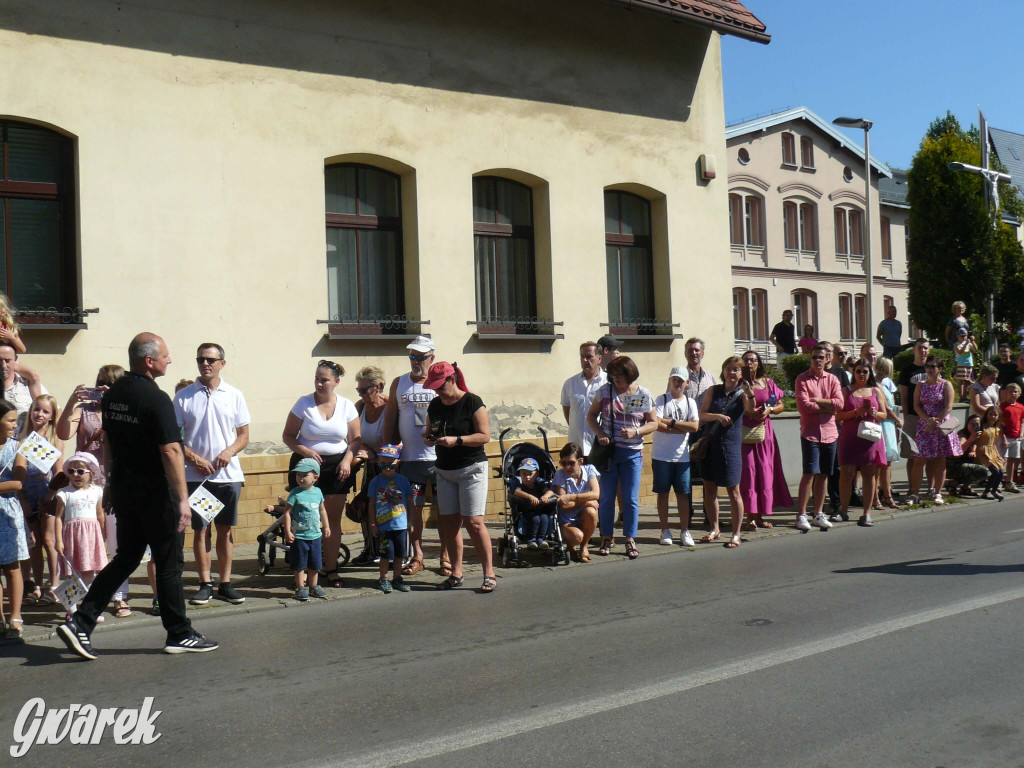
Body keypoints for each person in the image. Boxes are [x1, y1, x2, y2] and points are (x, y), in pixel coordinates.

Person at [57, 332, 218, 659]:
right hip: (157, 495)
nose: (170, 360)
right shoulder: (156, 398)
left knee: (127, 557)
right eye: (166, 355)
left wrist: (114, 483)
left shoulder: (115, 394)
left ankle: (81, 622)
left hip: (126, 491)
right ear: (149, 361)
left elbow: (109, 441)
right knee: (169, 561)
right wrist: (183, 499)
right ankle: (180, 633)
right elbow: (172, 450)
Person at [175, 343, 251, 606]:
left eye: (210, 360)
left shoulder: (234, 394)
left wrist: (229, 451)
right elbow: (174, 438)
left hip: (227, 476)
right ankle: (205, 583)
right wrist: (194, 459)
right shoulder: (185, 396)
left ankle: (226, 583)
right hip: (197, 477)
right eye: (200, 360)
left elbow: (243, 435)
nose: (205, 364)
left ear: (222, 363)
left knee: (225, 531)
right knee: (201, 530)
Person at [57, 365, 133, 614]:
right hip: (84, 487)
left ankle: (119, 596)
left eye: (110, 384)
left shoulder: (124, 411)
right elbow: (62, 432)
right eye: (101, 382)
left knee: (117, 544)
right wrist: (71, 402)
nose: (104, 388)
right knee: (79, 546)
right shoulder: (84, 411)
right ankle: (78, 602)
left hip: (113, 485)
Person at [283, 359, 360, 589]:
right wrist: (305, 450)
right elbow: (288, 435)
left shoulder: (347, 406)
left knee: (331, 519)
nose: (319, 383)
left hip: (337, 466)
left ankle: (330, 568)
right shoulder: (303, 404)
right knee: (304, 517)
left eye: (324, 379)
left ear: (336, 382)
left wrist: (348, 460)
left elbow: (356, 439)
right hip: (306, 467)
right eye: (317, 378)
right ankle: (303, 569)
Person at [423, 361, 496, 593]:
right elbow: (428, 430)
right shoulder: (435, 405)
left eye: (440, 387)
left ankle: (489, 574)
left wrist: (458, 440)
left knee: (474, 522)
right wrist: (429, 438)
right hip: (444, 470)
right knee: (449, 524)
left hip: (471, 468)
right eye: (434, 388)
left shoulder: (472, 401)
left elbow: (485, 436)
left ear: (452, 380)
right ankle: (456, 573)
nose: (437, 392)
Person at [382, 336, 443, 578]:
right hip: (410, 459)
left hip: (439, 459)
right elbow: (390, 418)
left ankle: (446, 556)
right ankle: (417, 556)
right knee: (413, 511)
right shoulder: (399, 383)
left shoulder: (441, 381)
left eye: (420, 357)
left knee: (445, 510)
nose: (415, 362)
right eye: (412, 356)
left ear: (432, 358)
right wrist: (388, 452)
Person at [586, 356, 657, 559]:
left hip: (632, 452)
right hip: (609, 453)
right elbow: (591, 416)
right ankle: (606, 536)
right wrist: (600, 434)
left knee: (630, 498)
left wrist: (636, 432)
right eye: (613, 375)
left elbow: (653, 422)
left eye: (620, 375)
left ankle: (630, 538)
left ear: (630, 374)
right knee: (606, 497)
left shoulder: (642, 394)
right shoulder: (605, 392)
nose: (616, 379)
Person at [698, 356, 753, 548]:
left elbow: (751, 410)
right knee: (709, 489)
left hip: (730, 445)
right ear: (723, 371)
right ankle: (714, 528)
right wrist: (718, 416)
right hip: (710, 444)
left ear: (740, 374)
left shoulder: (742, 393)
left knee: (733, 491)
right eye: (728, 369)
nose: (732, 373)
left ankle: (736, 533)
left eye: (736, 370)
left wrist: (750, 392)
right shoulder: (713, 391)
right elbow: (702, 415)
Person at [14, 394, 63, 608]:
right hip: (26, 493)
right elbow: (16, 474)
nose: (39, 414)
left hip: (47, 491)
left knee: (49, 540)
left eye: (45, 411)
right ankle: (36, 586)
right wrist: (23, 500)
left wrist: (49, 497)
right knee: (33, 543)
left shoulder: (54, 439)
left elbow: (59, 473)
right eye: (36, 409)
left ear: (52, 416)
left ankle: (54, 586)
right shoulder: (21, 440)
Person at [739, 351, 791, 530]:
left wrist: (769, 411)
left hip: (765, 434)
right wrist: (748, 412)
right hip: (745, 433)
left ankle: (760, 516)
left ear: (758, 363)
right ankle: (749, 517)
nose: (749, 363)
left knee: (764, 473)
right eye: (745, 360)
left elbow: (780, 405)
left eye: (752, 360)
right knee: (748, 473)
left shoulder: (767, 382)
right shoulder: (739, 384)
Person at [794, 344, 843, 532]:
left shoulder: (832, 379)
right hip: (811, 434)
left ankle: (819, 513)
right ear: (810, 358)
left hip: (830, 433)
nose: (818, 360)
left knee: (824, 474)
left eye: (821, 357)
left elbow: (839, 404)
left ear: (827, 358)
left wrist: (819, 401)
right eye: (814, 357)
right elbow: (804, 406)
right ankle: (801, 515)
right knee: (809, 474)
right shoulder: (802, 379)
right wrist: (828, 406)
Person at [834, 359, 888, 526]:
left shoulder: (876, 391)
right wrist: (855, 412)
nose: (862, 374)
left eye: (865, 371)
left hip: (870, 437)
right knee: (846, 473)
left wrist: (874, 412)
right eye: (858, 371)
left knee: (869, 474)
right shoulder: (846, 391)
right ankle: (843, 510)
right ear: (853, 373)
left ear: (870, 373)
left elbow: (884, 415)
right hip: (850, 437)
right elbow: (838, 415)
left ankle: (867, 513)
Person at [652, 367, 699, 546]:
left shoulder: (690, 402)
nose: (677, 383)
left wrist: (671, 422)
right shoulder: (662, 399)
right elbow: (656, 423)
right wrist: (681, 427)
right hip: (661, 455)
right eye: (674, 379)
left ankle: (684, 530)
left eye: (681, 380)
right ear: (670, 380)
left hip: (682, 457)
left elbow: (695, 426)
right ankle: (664, 530)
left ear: (687, 383)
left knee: (683, 494)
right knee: (662, 493)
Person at [55, 452, 108, 613]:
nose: (75, 475)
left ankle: (85, 608)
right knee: (73, 574)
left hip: (91, 536)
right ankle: (72, 611)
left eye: (80, 472)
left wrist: (103, 535)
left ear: (91, 473)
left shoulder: (97, 491)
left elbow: (100, 514)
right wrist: (58, 540)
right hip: (72, 536)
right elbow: (58, 517)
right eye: (71, 471)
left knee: (90, 573)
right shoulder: (64, 493)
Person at [350, 366, 389, 567]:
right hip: (369, 464)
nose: (362, 394)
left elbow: (399, 438)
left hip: (389, 466)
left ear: (378, 387)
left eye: (365, 390)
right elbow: (353, 436)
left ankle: (391, 551)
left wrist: (379, 453)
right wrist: (364, 448)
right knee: (367, 506)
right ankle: (370, 549)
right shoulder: (360, 407)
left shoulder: (391, 406)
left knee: (389, 509)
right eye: (359, 391)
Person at [913, 354, 961, 504]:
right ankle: (914, 493)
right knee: (919, 459)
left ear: (940, 369)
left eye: (933, 367)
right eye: (927, 366)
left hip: (942, 426)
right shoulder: (920, 384)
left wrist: (936, 420)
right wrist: (928, 420)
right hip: (924, 426)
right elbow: (916, 405)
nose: (929, 369)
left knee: (940, 460)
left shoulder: (946, 385)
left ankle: (938, 493)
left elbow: (948, 407)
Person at [367, 445, 413, 593]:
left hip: (400, 525)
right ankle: (384, 578)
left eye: (391, 465)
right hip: (383, 526)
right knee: (385, 554)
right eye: (383, 465)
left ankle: (397, 577)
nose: (387, 469)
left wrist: (411, 522)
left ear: (397, 463)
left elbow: (410, 502)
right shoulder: (375, 482)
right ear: (378, 463)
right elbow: (372, 504)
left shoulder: (404, 480)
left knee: (400, 554)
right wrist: (373, 524)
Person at [282, 457, 330, 602]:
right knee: (299, 564)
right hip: (300, 536)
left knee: (315, 563)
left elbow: (322, 510)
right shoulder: (295, 493)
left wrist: (326, 526)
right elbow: (287, 513)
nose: (300, 478)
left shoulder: (318, 492)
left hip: (315, 535)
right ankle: (300, 587)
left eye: (305, 475)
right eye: (298, 475)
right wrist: (288, 531)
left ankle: (313, 586)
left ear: (315, 477)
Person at [0, 399, 27, 640]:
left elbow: (18, 482)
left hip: (7, 511)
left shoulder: (16, 448)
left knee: (11, 565)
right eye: (10, 420)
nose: (15, 424)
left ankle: (15, 616)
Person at [551, 443, 599, 562]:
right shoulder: (560, 475)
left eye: (571, 463)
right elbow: (564, 505)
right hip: (567, 521)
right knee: (577, 536)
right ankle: (571, 545)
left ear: (580, 461)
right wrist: (586, 502)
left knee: (591, 513)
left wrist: (572, 497)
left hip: (583, 517)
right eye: (563, 463)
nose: (567, 467)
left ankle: (584, 547)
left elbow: (595, 494)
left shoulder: (589, 470)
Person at [560, 342, 607, 457]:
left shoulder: (608, 382)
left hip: (600, 445)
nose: (585, 360)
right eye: (582, 356)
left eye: (589, 356)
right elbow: (568, 412)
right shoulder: (570, 383)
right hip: (577, 446)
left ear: (599, 358)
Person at [898, 338, 930, 504]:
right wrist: (906, 416)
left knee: (930, 455)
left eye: (925, 348)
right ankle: (912, 489)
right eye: (919, 348)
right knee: (912, 455)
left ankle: (930, 489)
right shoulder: (907, 370)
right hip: (912, 417)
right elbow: (903, 395)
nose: (922, 351)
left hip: (931, 419)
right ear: (914, 350)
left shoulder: (932, 369)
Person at [873, 357, 904, 509]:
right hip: (883, 424)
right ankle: (876, 497)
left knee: (887, 463)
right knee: (879, 464)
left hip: (888, 425)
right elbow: (886, 408)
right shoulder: (876, 385)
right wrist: (898, 419)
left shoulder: (884, 384)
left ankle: (886, 494)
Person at [510, 457, 556, 550]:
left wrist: (545, 496)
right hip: (526, 511)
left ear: (536, 475)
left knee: (545, 518)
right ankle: (532, 540)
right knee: (535, 519)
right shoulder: (520, 484)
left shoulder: (539, 484)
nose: (527, 477)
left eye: (530, 474)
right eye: (524, 474)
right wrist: (530, 497)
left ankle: (541, 539)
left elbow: (550, 492)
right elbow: (516, 492)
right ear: (520, 474)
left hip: (540, 510)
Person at [0, 344, 46, 429]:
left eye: (7, 361)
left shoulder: (30, 384)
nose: (3, 366)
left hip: (24, 440)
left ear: (16, 360)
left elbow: (52, 412)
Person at [945, 415, 987, 497]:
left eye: (976, 424)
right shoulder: (962, 435)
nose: (973, 426)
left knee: (975, 464)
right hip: (951, 467)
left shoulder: (978, 436)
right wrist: (970, 439)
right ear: (967, 424)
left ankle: (965, 487)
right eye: (971, 423)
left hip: (961, 465)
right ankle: (952, 484)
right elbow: (958, 454)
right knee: (982, 471)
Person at [976, 406, 1005, 500]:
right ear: (986, 415)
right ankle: (986, 491)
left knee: (1001, 471)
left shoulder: (995, 428)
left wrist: (999, 455)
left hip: (992, 451)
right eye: (990, 414)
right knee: (995, 472)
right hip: (983, 451)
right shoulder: (983, 426)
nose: (993, 416)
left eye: (995, 415)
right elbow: (976, 439)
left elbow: (993, 444)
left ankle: (994, 490)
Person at [999, 383, 1024, 494]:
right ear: (1006, 393)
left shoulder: (1021, 407)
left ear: (1019, 394)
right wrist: (1003, 437)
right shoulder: (1003, 407)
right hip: (1006, 436)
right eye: (1010, 391)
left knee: (1013, 459)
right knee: (1003, 459)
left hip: (1016, 437)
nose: (1013, 394)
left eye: (1015, 392)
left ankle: (1009, 481)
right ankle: (998, 481)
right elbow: (1000, 424)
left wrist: (1021, 433)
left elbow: (1021, 421)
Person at [953, 329, 978, 400]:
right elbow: (960, 352)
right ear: (957, 336)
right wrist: (966, 344)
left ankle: (966, 396)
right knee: (961, 380)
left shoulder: (968, 343)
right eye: (962, 336)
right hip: (961, 363)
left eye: (965, 336)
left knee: (967, 380)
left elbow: (975, 349)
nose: (963, 338)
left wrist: (972, 341)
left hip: (969, 363)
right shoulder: (956, 344)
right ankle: (962, 396)